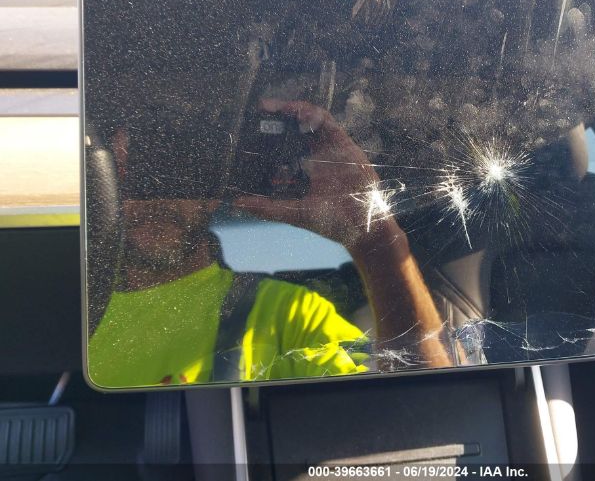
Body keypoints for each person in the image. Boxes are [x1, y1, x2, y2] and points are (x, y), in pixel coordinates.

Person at [87, 100, 453, 388]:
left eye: (175, 169)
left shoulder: (289, 318)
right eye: (131, 175)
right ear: (101, 187)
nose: (152, 196)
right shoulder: (76, 309)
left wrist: (374, 237)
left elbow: (425, 409)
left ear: (213, 186)